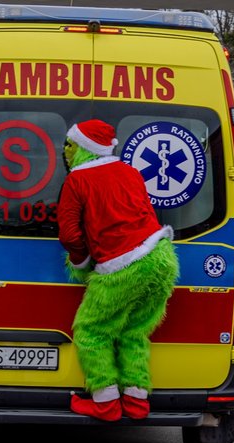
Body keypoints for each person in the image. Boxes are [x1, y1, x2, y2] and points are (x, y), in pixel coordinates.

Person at [57, 119, 180, 421]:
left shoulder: (77, 180)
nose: (65, 151)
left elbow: (70, 235)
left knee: (91, 331)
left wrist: (81, 262)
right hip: (161, 256)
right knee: (134, 332)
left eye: (69, 145)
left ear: (84, 148)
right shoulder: (130, 172)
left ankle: (105, 401)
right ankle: (137, 401)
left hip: (123, 266)